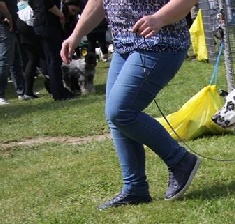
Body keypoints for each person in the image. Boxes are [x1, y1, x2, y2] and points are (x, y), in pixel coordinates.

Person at [61, 0, 201, 210]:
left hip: (161, 43)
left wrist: (160, 18)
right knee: (115, 115)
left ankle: (180, 160)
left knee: (121, 111)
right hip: (125, 46)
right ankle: (135, 188)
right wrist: (76, 35)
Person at [30, 0, 74, 100]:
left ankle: (56, 89)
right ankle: (58, 92)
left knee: (49, 60)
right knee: (54, 60)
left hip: (39, 23)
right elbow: (48, 3)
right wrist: (60, 14)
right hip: (49, 24)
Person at [0, 0, 27, 104]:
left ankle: (21, 92)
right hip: (4, 25)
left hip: (10, 27)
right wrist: (9, 17)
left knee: (16, 61)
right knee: (5, 61)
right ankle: (0, 95)